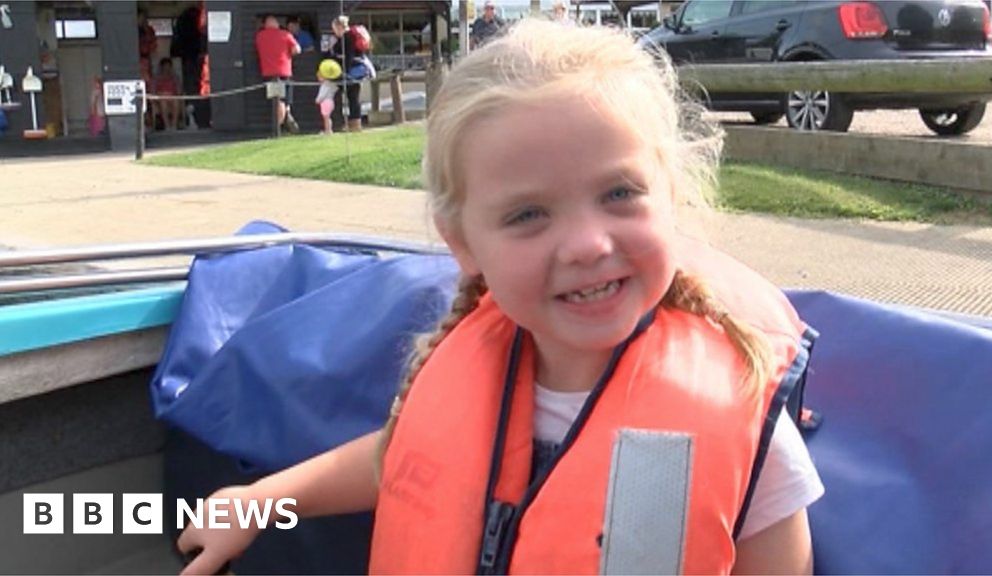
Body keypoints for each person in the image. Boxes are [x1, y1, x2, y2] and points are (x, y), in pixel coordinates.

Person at [178, 20, 822, 575]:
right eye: (528, 215)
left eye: (620, 194)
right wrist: (261, 499)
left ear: (671, 196)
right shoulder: (466, 366)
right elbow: (400, 463)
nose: (588, 245)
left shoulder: (736, 412)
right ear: (464, 245)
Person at [326, 15, 375, 133]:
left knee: (352, 98)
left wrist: (344, 72)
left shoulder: (347, 37)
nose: (334, 31)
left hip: (352, 71)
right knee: (353, 97)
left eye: (334, 28)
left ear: (339, 27)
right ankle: (355, 124)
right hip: (358, 69)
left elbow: (349, 56)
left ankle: (355, 125)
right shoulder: (351, 36)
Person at [255, 14, 301, 133]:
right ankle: (279, 127)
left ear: (265, 24)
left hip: (267, 72)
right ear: (276, 23)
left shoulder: (259, 36)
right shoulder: (285, 34)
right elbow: (297, 49)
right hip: (284, 71)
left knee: (276, 100)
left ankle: (285, 117)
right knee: (283, 100)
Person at [152, 58, 182, 131]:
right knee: (163, 103)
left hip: (172, 96)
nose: (167, 68)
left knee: (176, 102)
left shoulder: (175, 77)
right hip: (161, 97)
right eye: (165, 66)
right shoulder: (156, 78)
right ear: (161, 67)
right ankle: (167, 125)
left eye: (168, 66)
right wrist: (160, 94)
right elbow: (153, 91)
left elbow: (179, 90)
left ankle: (174, 125)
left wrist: (176, 92)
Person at [315, 60, 341, 135]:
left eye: (319, 77)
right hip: (330, 101)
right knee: (327, 117)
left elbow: (322, 94)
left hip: (325, 102)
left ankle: (328, 130)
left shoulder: (325, 85)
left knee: (326, 118)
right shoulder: (332, 84)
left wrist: (318, 100)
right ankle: (328, 130)